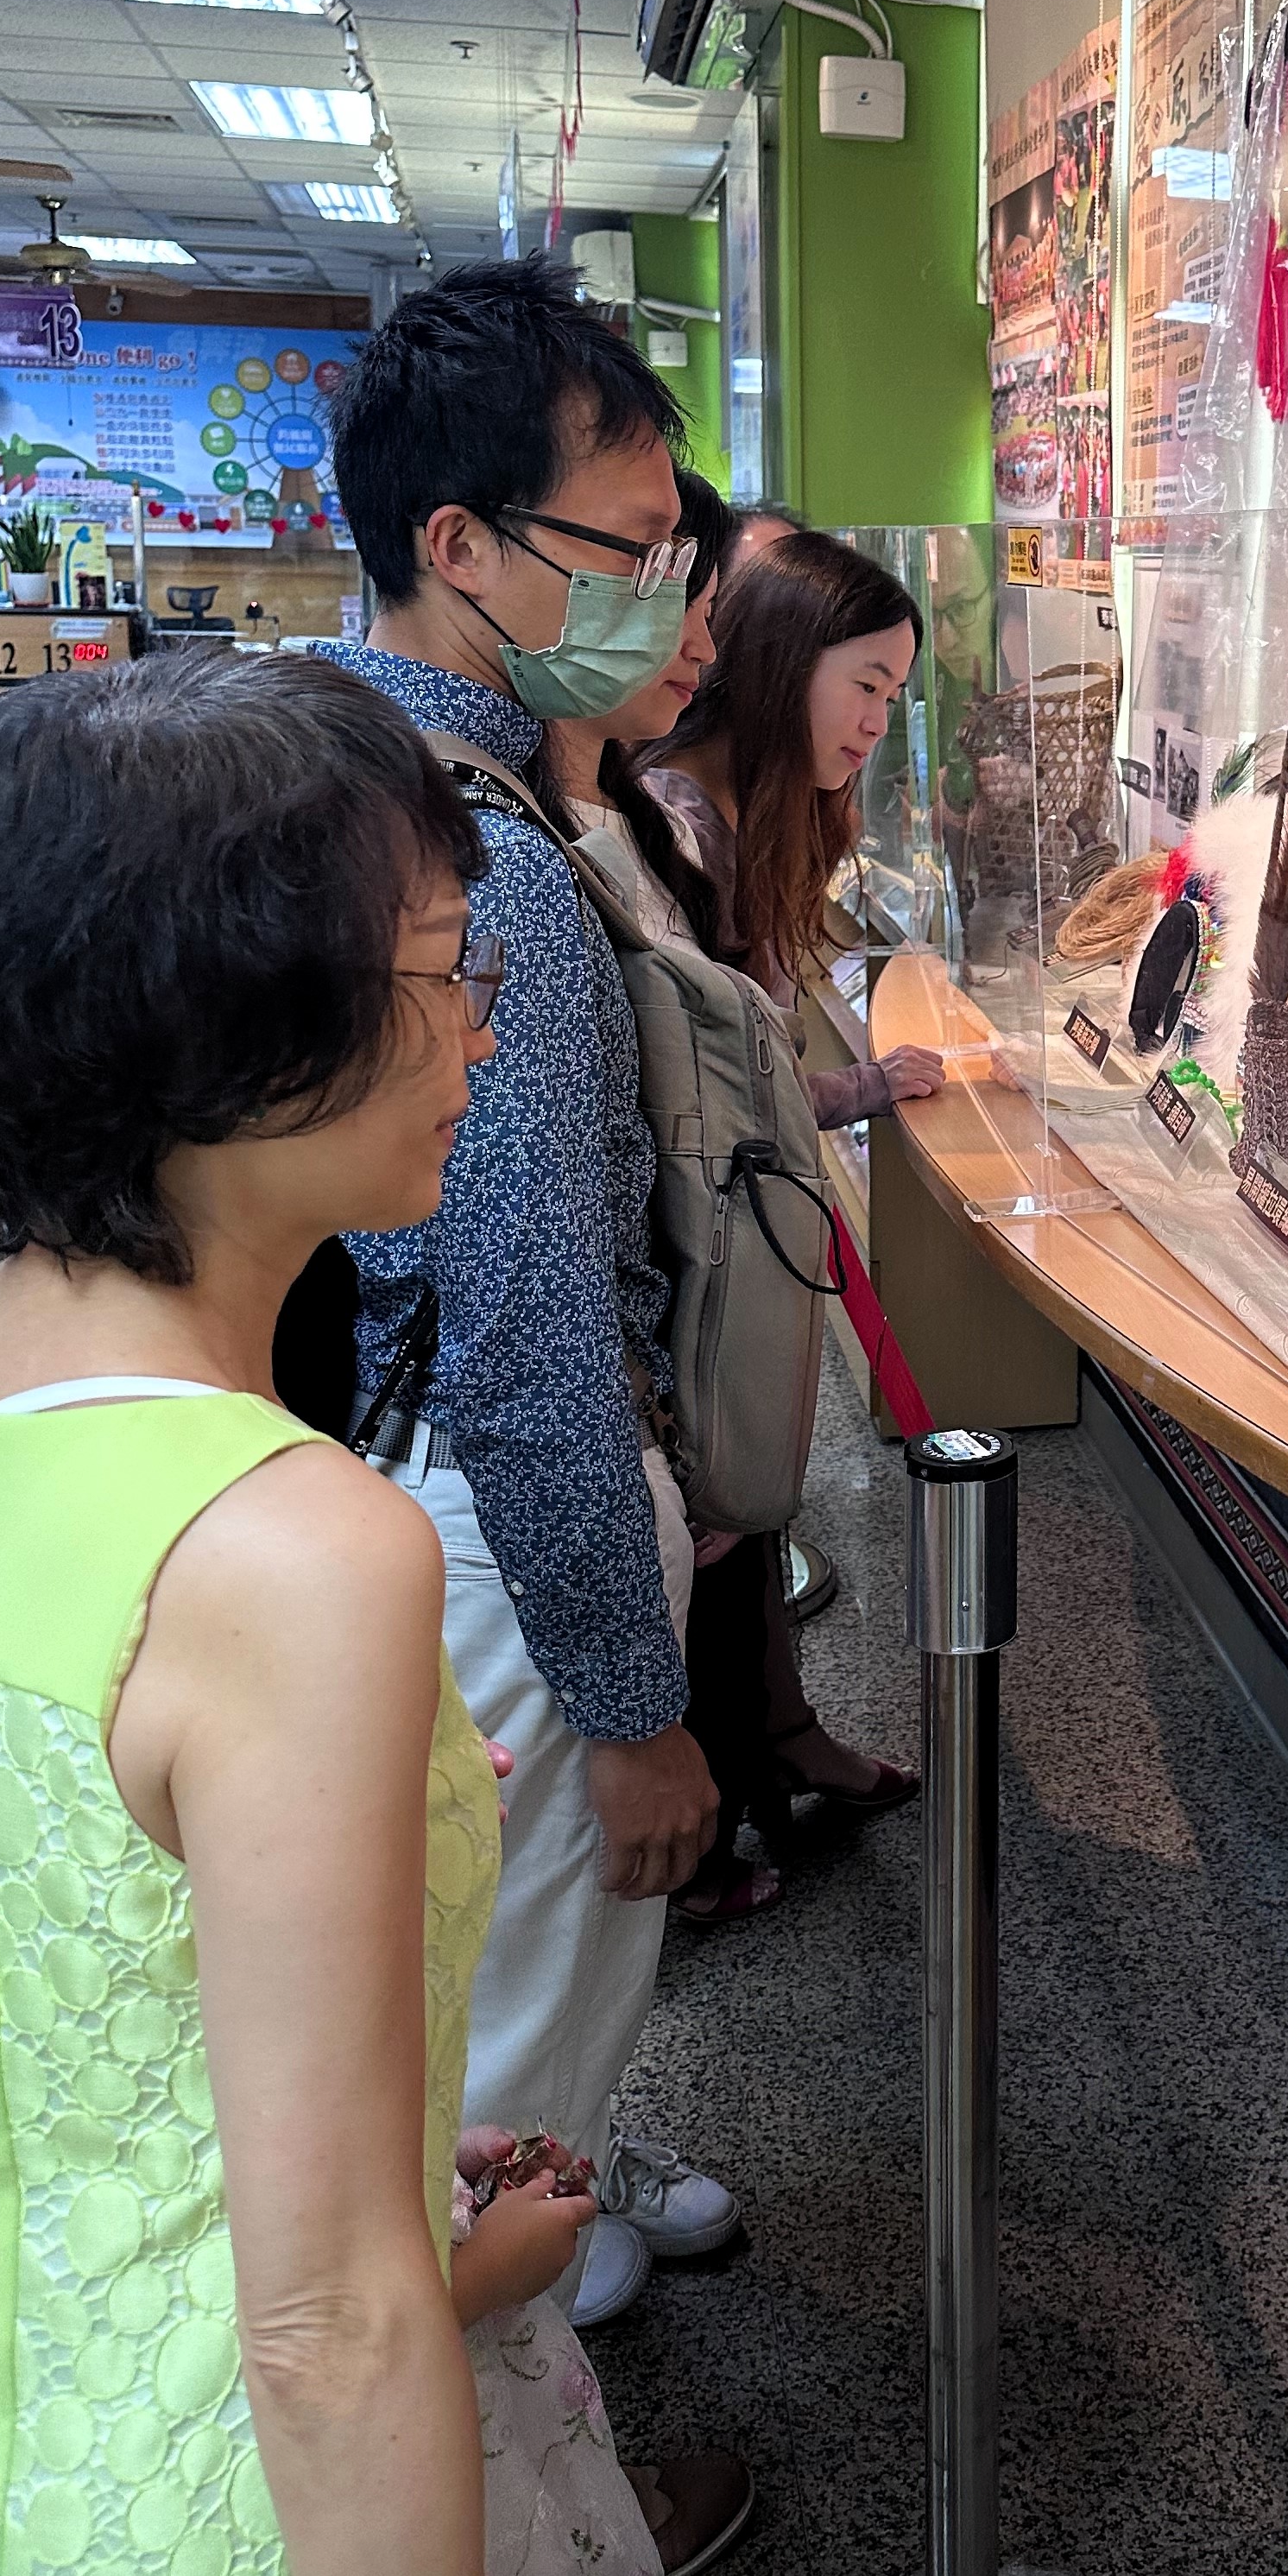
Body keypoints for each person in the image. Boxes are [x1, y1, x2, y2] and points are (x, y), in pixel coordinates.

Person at [0, 651, 516, 2576]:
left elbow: (13, 1982)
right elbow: (327, 2327)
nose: (484, 1028)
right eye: (442, 970)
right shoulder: (295, 1553)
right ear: (227, 1029)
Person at [320, 257, 736, 2339]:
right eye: (629, 550)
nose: (667, 600)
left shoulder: (321, 758)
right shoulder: (474, 863)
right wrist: (636, 1714)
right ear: (459, 545)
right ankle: (523, 2466)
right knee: (501, 2049)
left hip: (366, 1472)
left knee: (434, 1993)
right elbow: (526, 1333)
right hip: (493, 1521)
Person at [643, 530, 944, 1903]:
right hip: (686, 1255)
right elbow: (709, 1097)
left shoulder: (738, 813)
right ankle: (708, 1819)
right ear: (779, 659)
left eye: (893, 697)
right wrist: (858, 1090)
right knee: (713, 1521)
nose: (877, 723)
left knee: (743, 1520)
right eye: (864, 686)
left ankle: (778, 1741)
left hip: (726, 1239)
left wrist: (858, 1090)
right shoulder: (678, 820)